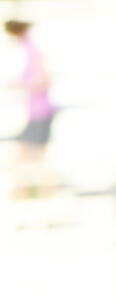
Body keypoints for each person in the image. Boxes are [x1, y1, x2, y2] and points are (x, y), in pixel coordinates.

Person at [4, 19, 55, 198]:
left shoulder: (32, 48)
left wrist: (19, 85)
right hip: (36, 111)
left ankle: (40, 195)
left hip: (40, 111)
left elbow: (43, 80)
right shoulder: (29, 47)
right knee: (27, 156)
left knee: (33, 157)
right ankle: (28, 194)